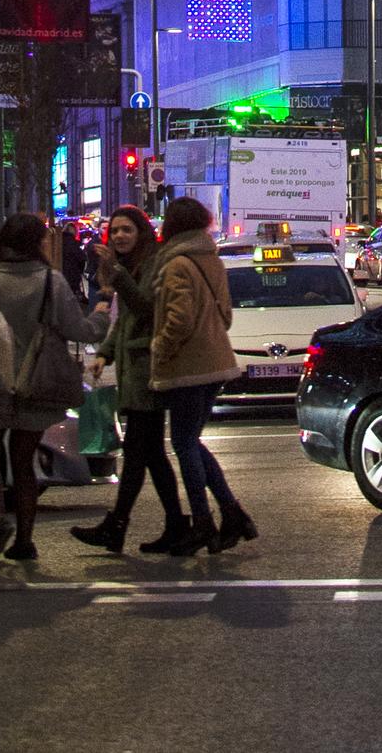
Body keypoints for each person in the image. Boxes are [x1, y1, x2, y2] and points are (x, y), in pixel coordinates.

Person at [0, 212, 93, 563]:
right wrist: (101, 313)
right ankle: (25, 540)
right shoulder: (50, 282)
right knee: (24, 463)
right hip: (36, 381)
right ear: (38, 243)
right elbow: (79, 330)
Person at [73, 206, 183, 555]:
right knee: (149, 454)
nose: (119, 236)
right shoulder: (136, 263)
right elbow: (124, 321)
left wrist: (117, 274)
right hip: (134, 368)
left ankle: (117, 526)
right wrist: (105, 352)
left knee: (139, 452)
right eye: (115, 231)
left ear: (141, 233)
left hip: (148, 368)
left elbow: (146, 308)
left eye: (127, 230)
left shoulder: (150, 263)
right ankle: (176, 524)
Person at [150, 196, 256, 554]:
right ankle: (231, 513)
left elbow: (178, 318)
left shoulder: (177, 264)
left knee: (183, 443)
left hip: (188, 366)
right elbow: (225, 315)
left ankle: (205, 521)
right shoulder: (212, 260)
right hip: (215, 362)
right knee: (191, 441)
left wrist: (160, 348)